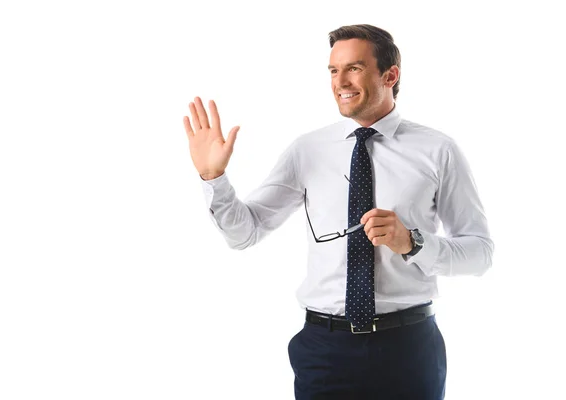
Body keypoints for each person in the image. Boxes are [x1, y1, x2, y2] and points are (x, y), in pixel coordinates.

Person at [183, 23, 493, 400]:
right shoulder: (307, 150)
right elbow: (245, 233)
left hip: (408, 348)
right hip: (324, 351)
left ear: (390, 75)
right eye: (333, 70)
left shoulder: (437, 150)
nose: (340, 81)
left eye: (354, 68)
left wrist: (412, 242)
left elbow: (479, 254)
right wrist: (213, 177)